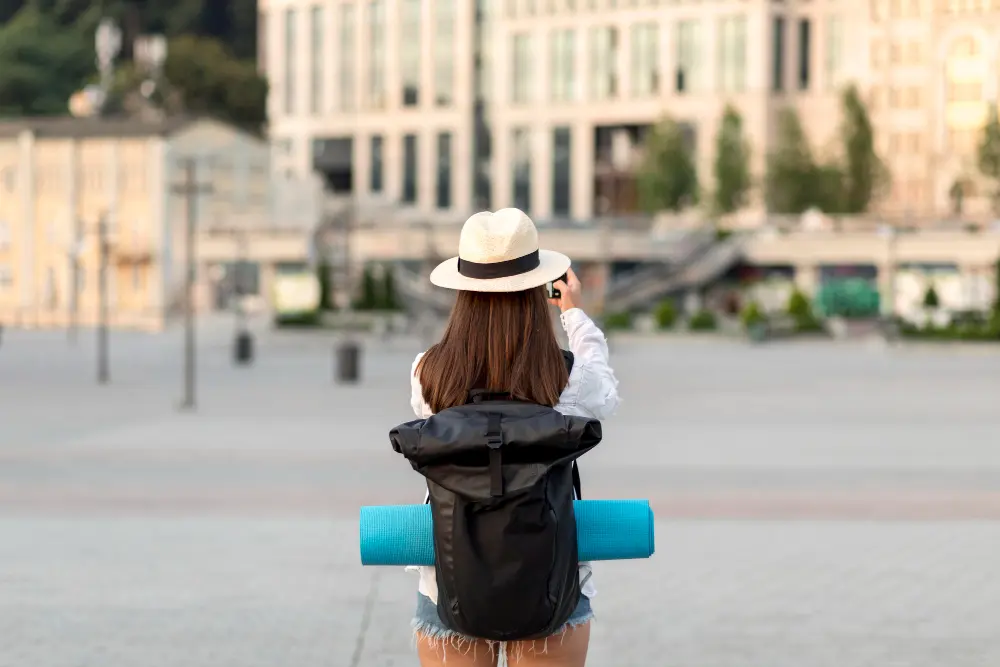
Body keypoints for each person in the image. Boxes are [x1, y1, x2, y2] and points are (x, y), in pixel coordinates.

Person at [406, 208, 621, 666]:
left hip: (450, 580)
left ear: (463, 291)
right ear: (535, 289)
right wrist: (575, 313)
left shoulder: (428, 373)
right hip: (552, 580)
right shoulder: (566, 378)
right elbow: (605, 393)